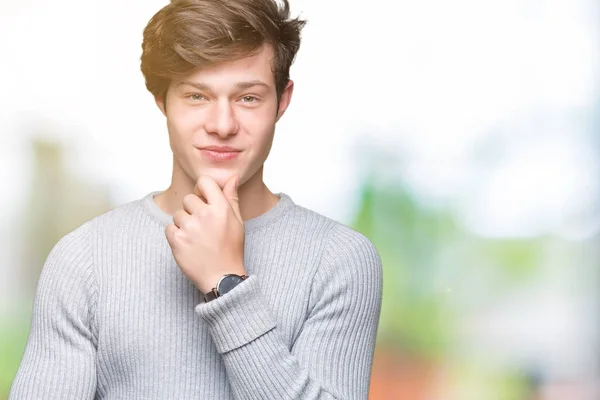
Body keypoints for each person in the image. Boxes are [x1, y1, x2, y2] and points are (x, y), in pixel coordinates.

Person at [9, 0, 383, 398]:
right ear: (161, 99)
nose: (222, 125)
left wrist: (226, 284)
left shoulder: (339, 260)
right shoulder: (84, 259)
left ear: (282, 100)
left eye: (248, 98)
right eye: (196, 96)